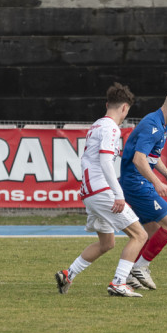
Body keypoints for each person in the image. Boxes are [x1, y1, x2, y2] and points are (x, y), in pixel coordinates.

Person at [56, 83, 149, 297]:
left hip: (90, 192)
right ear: (125, 108)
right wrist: (118, 195)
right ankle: (118, 283)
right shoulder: (110, 128)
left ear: (108, 104)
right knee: (139, 235)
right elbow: (106, 162)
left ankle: (68, 274)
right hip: (101, 191)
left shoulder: (97, 125)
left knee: (107, 243)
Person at [118, 90, 167, 290]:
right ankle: (140, 267)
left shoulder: (161, 124)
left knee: (153, 233)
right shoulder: (152, 125)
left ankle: (129, 275)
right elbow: (139, 159)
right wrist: (158, 183)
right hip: (136, 183)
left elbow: (152, 156)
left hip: (138, 182)